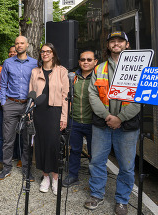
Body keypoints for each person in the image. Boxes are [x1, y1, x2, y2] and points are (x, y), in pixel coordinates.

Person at [84, 31, 140, 215]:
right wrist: (108, 117)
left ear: (127, 44)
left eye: (120, 41)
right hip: (102, 124)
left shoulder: (139, 68)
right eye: (112, 41)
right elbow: (92, 95)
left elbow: (141, 98)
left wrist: (120, 118)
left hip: (127, 126)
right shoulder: (99, 69)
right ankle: (97, 194)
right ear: (108, 46)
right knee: (97, 162)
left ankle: (122, 200)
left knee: (126, 166)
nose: (116, 44)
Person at [29, 43, 69, 195]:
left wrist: (64, 117)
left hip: (55, 112)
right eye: (42, 51)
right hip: (39, 112)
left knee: (54, 145)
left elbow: (65, 96)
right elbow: (31, 93)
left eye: (48, 51)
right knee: (41, 145)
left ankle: (55, 178)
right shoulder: (35, 72)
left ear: (53, 54)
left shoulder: (62, 71)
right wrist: (30, 114)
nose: (45, 54)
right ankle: (45, 177)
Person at [0, 36, 37, 180]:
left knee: (27, 140)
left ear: (27, 45)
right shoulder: (7, 63)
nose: (19, 45)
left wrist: (33, 104)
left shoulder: (35, 63)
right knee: (8, 139)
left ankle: (26, 170)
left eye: (22, 43)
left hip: (28, 105)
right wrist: (3, 103)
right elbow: (3, 84)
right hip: (11, 104)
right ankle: (6, 168)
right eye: (17, 43)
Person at [62, 50, 98, 187]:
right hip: (75, 121)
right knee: (75, 150)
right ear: (79, 62)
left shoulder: (98, 77)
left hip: (93, 123)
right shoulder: (73, 77)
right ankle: (72, 175)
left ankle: (95, 178)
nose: (86, 62)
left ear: (95, 62)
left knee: (94, 152)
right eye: (83, 60)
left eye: (89, 60)